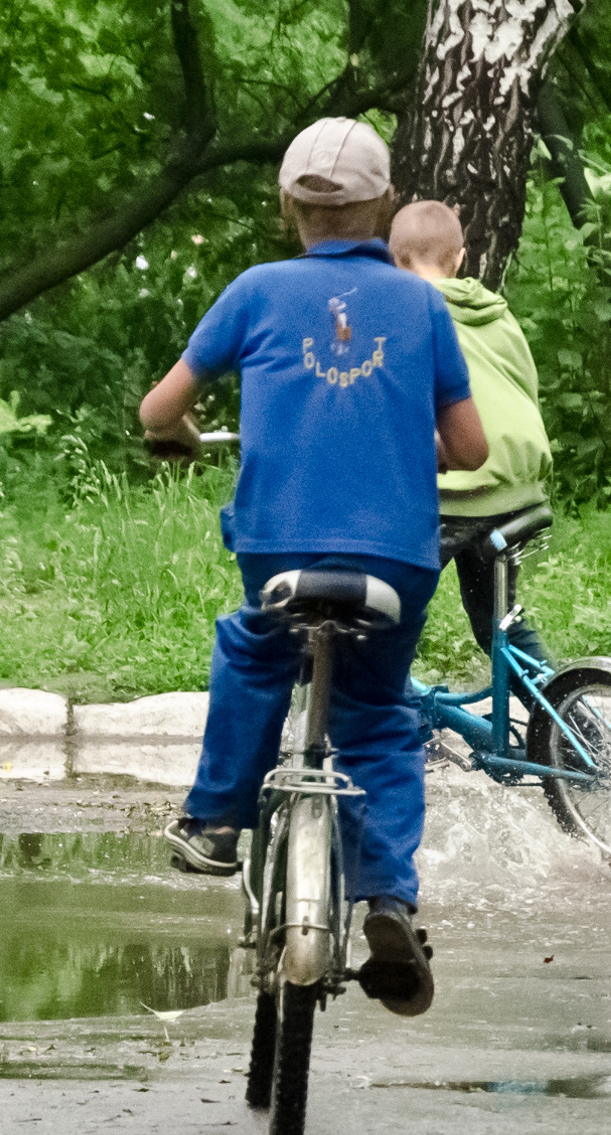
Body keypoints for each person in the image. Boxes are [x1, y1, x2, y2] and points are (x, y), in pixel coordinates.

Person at [139, 119, 487, 1018]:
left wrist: (171, 437)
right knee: (377, 712)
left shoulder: (256, 291)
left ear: (289, 204)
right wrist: (410, 456)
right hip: (397, 561)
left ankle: (216, 821)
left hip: (280, 550)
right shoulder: (422, 308)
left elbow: (158, 408)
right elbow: (471, 444)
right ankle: (390, 900)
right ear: (383, 204)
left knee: (258, 650)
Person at [388, 198, 555, 667]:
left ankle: (406, 735)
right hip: (519, 491)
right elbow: (526, 387)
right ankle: (573, 721)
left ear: (394, 259)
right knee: (499, 624)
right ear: (461, 257)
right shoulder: (498, 313)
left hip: (457, 492)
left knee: (381, 622)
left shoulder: (406, 315)